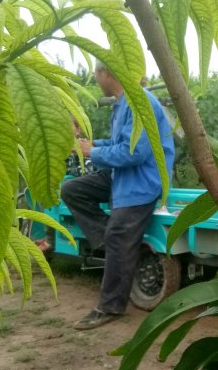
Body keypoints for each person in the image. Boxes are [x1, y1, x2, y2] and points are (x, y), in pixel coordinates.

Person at [61, 61, 175, 330]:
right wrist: (90, 145)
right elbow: (118, 144)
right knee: (72, 190)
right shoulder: (121, 103)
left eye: (95, 73)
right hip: (119, 176)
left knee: (119, 235)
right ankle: (110, 241)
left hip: (140, 183)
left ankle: (110, 306)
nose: (95, 79)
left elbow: (134, 153)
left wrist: (92, 153)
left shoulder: (139, 103)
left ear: (106, 73)